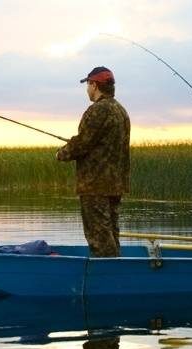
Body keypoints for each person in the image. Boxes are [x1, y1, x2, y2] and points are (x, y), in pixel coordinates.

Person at [56, 66, 131, 257]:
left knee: (99, 236)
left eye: (88, 84)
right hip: (115, 184)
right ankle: (116, 272)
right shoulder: (121, 111)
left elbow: (82, 143)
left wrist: (62, 153)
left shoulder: (97, 110)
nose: (87, 90)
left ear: (94, 85)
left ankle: (106, 277)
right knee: (111, 232)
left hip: (95, 184)